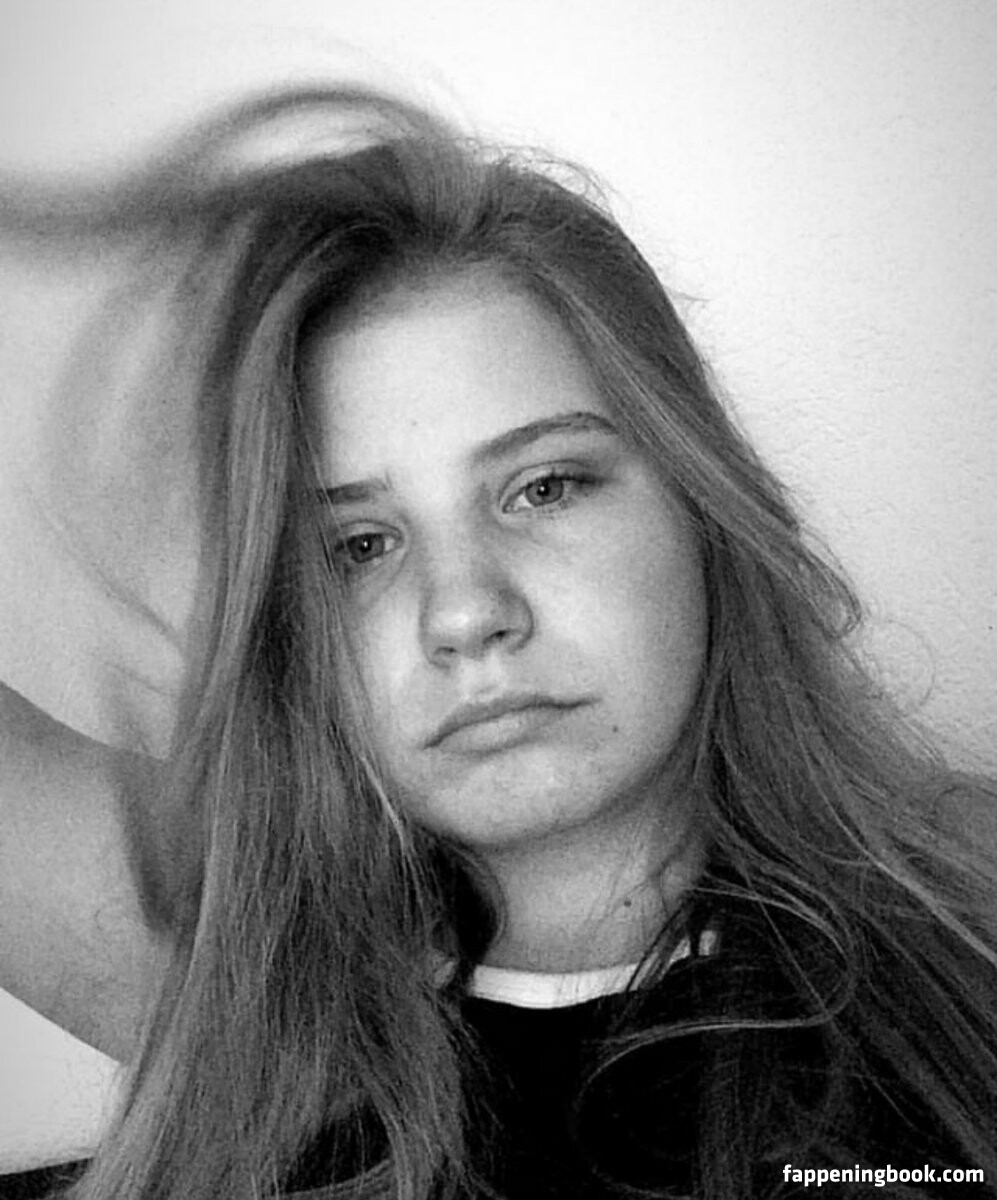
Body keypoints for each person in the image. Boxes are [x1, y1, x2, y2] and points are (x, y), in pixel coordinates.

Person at [0, 87, 995, 1200]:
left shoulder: (965, 932)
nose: (464, 613)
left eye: (543, 486)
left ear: (702, 504)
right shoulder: (238, 980)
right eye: (358, 545)